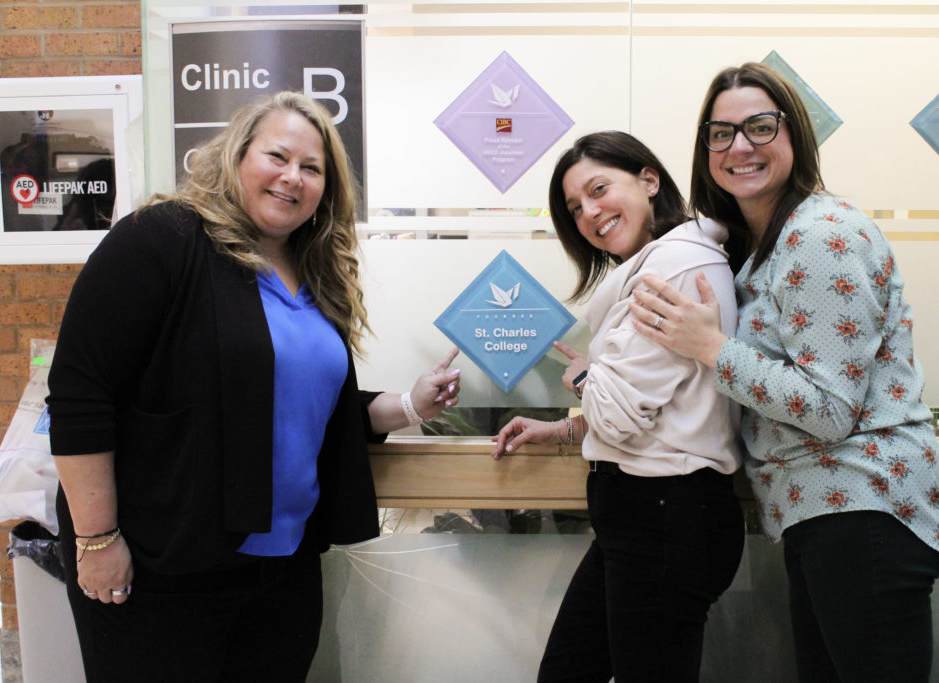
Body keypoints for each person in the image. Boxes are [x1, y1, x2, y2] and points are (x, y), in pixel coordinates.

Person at [46, 91, 461, 682]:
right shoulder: (162, 238)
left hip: (283, 573)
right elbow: (80, 395)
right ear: (236, 155)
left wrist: (412, 406)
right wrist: (96, 539)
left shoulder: (314, 275)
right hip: (163, 566)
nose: (293, 177)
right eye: (278, 156)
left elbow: (307, 410)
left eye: (312, 168)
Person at [629, 63, 939, 681]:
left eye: (760, 126)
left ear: (795, 135)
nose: (740, 146)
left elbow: (829, 410)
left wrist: (711, 347)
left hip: (862, 508)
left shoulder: (819, 235)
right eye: (721, 133)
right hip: (827, 515)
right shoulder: (759, 246)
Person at [491, 131, 745, 682]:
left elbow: (620, 416)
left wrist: (585, 377)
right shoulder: (656, 266)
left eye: (599, 189)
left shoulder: (672, 268)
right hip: (644, 516)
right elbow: (663, 404)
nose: (589, 213)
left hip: (666, 516)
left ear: (649, 180)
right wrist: (565, 430)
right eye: (574, 208)